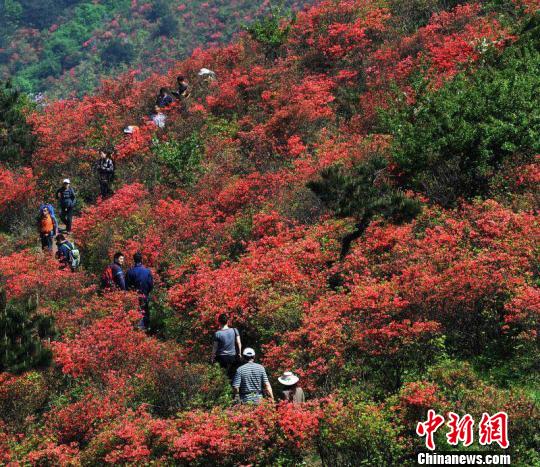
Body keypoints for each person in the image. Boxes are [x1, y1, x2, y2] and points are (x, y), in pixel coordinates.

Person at [126, 252, 154, 329]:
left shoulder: (130, 272)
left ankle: (138, 329)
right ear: (141, 259)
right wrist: (146, 293)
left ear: (134, 260)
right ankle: (146, 329)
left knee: (136, 312)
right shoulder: (147, 271)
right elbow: (151, 285)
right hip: (145, 294)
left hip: (134, 296)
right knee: (145, 311)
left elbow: (127, 287)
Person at [212, 313, 242, 380]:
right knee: (232, 376)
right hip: (232, 356)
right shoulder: (234, 330)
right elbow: (239, 342)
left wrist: (212, 356)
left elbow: (215, 347)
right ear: (227, 321)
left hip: (221, 357)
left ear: (219, 322)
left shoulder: (217, 333)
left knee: (222, 377)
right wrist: (239, 353)